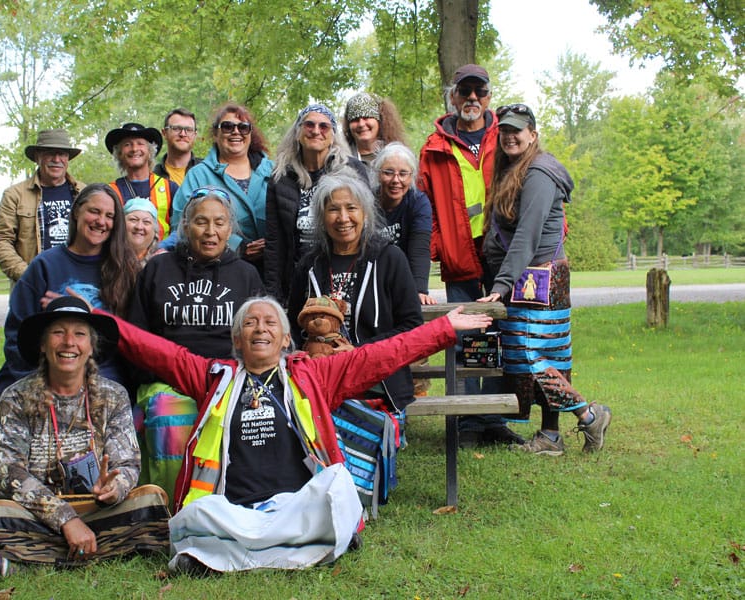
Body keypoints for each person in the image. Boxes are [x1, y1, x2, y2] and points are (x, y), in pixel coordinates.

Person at [89, 293, 492, 574]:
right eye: (250, 322)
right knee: (197, 512)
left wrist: (443, 328)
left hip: (296, 506)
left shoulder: (313, 374)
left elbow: (381, 355)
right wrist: (96, 320)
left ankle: (234, 554)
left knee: (336, 484)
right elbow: (156, 351)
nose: (260, 329)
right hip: (235, 511)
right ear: (236, 339)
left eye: (270, 323)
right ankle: (290, 549)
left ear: (285, 339)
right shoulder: (213, 377)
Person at [0, 296, 170, 577]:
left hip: (97, 510)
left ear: (91, 347)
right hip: (37, 514)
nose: (69, 342)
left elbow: (128, 463)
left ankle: (33, 556)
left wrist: (114, 488)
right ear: (43, 345)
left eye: (79, 334)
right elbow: (9, 473)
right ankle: (98, 547)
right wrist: (66, 519)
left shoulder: (113, 396)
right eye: (58, 332)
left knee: (152, 501)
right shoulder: (16, 398)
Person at [478, 103, 612, 456]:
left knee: (534, 357)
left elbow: (528, 235)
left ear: (532, 135)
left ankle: (589, 415)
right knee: (537, 356)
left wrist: (501, 284)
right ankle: (551, 436)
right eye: (504, 130)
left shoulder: (538, 173)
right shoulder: (512, 170)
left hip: (539, 279)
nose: (509, 136)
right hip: (530, 279)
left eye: (517, 131)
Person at [127, 187, 265, 500]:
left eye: (220, 223)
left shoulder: (246, 275)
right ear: (186, 226)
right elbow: (138, 334)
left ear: (230, 229)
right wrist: (154, 375)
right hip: (167, 377)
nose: (211, 232)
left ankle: (225, 502)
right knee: (168, 413)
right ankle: (169, 507)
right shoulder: (158, 269)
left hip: (226, 379)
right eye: (201, 222)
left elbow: (258, 337)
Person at [418, 63, 523, 447]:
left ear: (489, 96)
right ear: (453, 96)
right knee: (465, 336)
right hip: (459, 257)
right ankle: (466, 421)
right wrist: (435, 249)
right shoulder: (434, 147)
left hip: (499, 256)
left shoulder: (507, 137)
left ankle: (491, 419)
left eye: (479, 92)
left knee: (496, 333)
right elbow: (424, 206)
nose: (472, 99)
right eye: (465, 92)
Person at [0, 183, 139, 411]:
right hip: (48, 367)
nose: (101, 221)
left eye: (109, 216)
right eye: (94, 211)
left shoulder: (125, 269)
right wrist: (35, 382)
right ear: (76, 211)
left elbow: (134, 336)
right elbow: (16, 334)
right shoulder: (44, 266)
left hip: (105, 369)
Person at [287, 172, 422, 412]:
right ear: (321, 216)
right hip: (320, 377)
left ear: (365, 213)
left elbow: (411, 325)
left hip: (376, 380)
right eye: (333, 210)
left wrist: (361, 351)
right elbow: (293, 325)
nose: (343, 218)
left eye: (352, 208)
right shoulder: (309, 264)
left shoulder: (390, 258)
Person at [265, 103, 368, 303]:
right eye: (309, 125)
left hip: (344, 275)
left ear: (333, 136)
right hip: (298, 280)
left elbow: (368, 228)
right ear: (297, 133)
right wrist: (273, 296)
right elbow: (274, 244)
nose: (316, 131)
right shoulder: (280, 178)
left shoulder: (352, 171)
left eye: (324, 127)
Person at [170, 103, 274, 277]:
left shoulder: (274, 171)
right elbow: (181, 224)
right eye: (227, 127)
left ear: (251, 134)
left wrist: (272, 244)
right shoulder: (198, 175)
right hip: (217, 272)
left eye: (243, 127)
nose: (236, 132)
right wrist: (237, 247)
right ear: (215, 133)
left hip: (272, 272)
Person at [0, 129, 85, 283]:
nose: (57, 159)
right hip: (33, 286)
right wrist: (27, 275)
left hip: (77, 282)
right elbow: (1, 240)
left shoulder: (85, 193)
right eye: (50, 153)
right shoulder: (15, 195)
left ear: (68, 158)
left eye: (62, 154)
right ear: (37, 157)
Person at [372, 143, 435, 305]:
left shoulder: (418, 202)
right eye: (388, 172)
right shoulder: (366, 200)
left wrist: (419, 289)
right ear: (379, 174)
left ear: (412, 176)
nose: (396, 180)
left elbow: (420, 249)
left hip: (404, 274)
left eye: (403, 174)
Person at [105, 122, 179, 240]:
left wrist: (164, 249)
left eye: (140, 144)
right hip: (121, 256)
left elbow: (181, 228)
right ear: (119, 153)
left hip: (162, 255)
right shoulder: (109, 191)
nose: (134, 149)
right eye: (127, 144)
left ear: (150, 152)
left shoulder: (170, 188)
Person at [342, 92, 408, 167]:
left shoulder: (398, 155)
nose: (361, 124)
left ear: (380, 120)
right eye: (355, 119)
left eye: (366, 117)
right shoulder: (340, 158)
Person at [154, 107, 202, 186]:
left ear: (195, 135)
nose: (183, 134)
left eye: (189, 130)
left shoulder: (207, 171)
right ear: (164, 133)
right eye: (176, 128)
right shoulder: (153, 175)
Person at [124, 197, 161, 267]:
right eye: (133, 220)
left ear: (155, 231)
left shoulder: (163, 262)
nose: (139, 227)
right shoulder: (108, 257)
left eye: (146, 222)